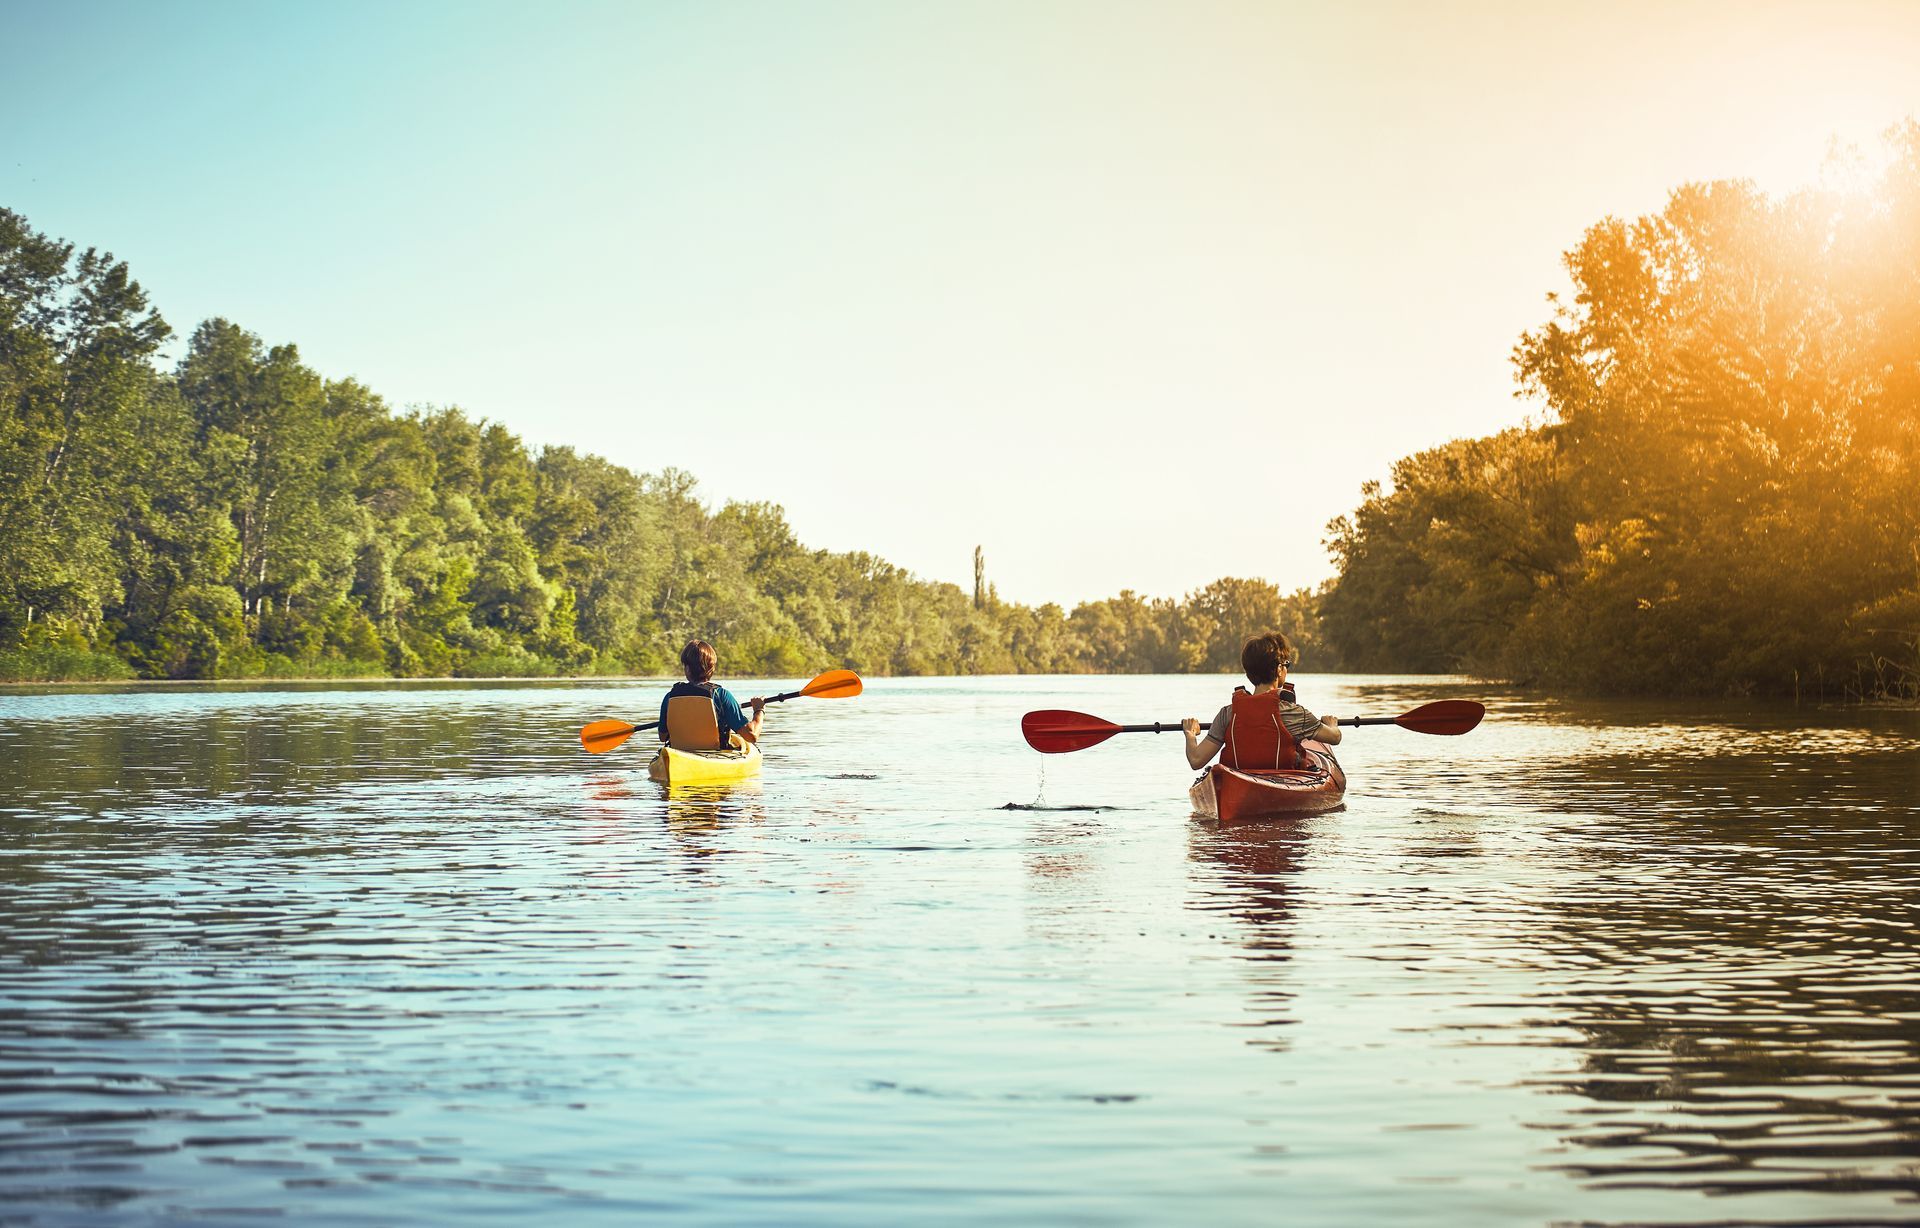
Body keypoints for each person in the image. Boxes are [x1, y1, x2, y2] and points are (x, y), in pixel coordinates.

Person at [1181, 632, 1341, 771]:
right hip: (1282, 784)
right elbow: (1335, 738)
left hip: (1239, 784)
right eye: (1286, 665)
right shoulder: (1293, 713)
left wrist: (1190, 734)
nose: (1286, 669)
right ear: (1279, 669)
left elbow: (1196, 760)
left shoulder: (1228, 714)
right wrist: (1331, 724)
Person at [660, 640, 765, 750]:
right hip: (715, 753)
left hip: (679, 753)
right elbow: (751, 735)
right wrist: (759, 710)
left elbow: (663, 736)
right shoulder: (721, 695)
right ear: (711, 669)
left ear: (687, 669)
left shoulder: (670, 697)